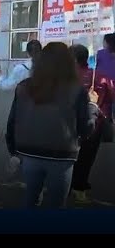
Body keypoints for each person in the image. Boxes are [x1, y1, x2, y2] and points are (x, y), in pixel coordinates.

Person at [5, 42, 96, 208]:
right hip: (61, 156)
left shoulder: (24, 87)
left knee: (30, 199)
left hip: (29, 153)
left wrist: (13, 151)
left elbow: (12, 122)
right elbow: (86, 129)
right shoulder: (77, 91)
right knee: (56, 204)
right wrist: (93, 108)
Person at [69, 44, 114, 203]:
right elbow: (111, 97)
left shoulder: (64, 78)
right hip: (93, 126)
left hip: (68, 126)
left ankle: (67, 185)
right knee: (86, 158)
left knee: (68, 157)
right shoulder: (101, 77)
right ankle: (79, 189)